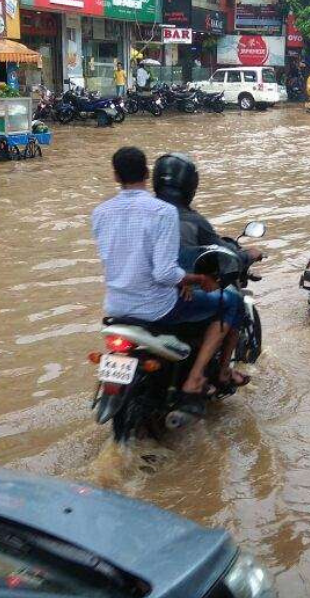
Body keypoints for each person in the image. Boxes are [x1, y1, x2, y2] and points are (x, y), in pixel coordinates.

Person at [91, 147, 233, 414]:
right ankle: (195, 378)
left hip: (115, 308)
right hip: (157, 307)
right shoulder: (162, 212)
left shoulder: (100, 213)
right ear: (146, 173)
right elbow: (165, 274)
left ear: (114, 175)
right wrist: (196, 279)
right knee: (229, 304)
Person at [153, 153, 261, 389]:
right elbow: (225, 254)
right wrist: (248, 255)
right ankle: (218, 372)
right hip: (170, 301)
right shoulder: (193, 221)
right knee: (232, 302)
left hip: (130, 303)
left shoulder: (143, 215)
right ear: (190, 185)